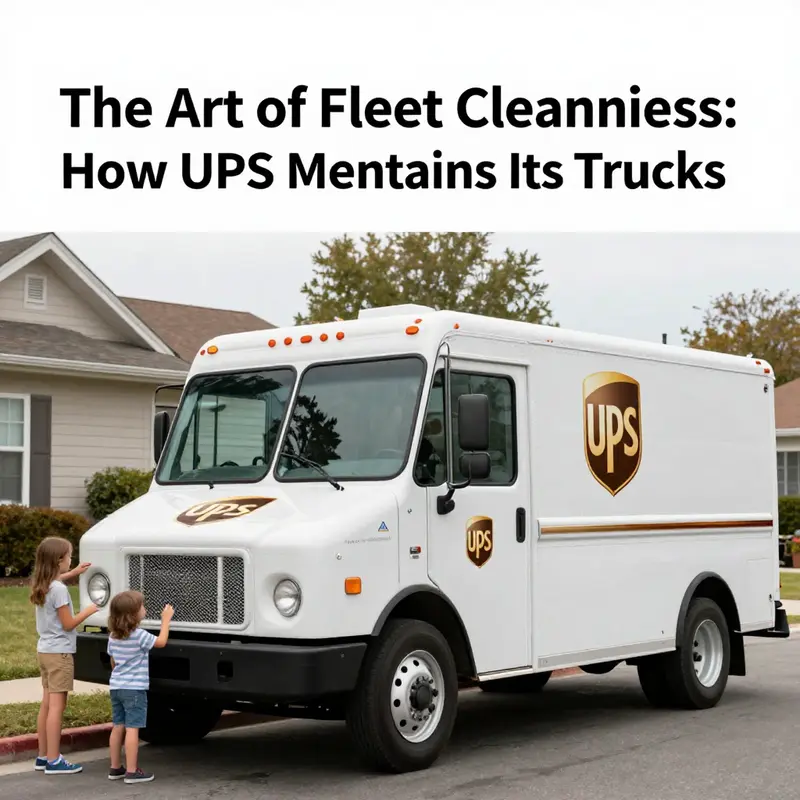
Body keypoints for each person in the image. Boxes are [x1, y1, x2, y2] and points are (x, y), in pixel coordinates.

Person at [29, 536, 96, 775]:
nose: (71, 559)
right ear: (59, 560)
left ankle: (43, 756)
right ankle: (54, 760)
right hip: (60, 654)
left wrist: (74, 572)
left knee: (47, 704)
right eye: (69, 556)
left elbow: (57, 582)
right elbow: (68, 624)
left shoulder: (42, 583)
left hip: (45, 651)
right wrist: (90, 610)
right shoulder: (59, 590)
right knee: (58, 707)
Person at [106, 591, 174, 784]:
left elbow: (113, 661)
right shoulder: (139, 636)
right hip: (134, 690)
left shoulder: (112, 637)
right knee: (132, 728)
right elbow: (161, 642)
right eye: (142, 607)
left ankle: (115, 767)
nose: (145, 608)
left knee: (118, 726)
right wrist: (165, 621)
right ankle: (132, 771)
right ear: (132, 615)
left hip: (116, 687)